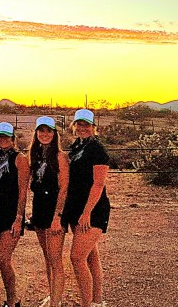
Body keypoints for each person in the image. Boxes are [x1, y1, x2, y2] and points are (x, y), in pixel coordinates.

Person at [62, 109, 110, 307]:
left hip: (92, 210)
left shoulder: (97, 149)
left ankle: (86, 304)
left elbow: (98, 184)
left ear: (93, 127)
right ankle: (96, 301)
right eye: (79, 124)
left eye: (86, 124)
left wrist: (86, 213)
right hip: (76, 208)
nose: (82, 128)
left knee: (77, 257)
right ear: (74, 126)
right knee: (91, 256)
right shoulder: (76, 147)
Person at [0, 122, 28, 307]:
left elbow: (23, 191)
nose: (3, 140)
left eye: (6, 137)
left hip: (11, 214)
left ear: (13, 139)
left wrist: (19, 218)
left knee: (4, 258)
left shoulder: (20, 159)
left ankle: (13, 300)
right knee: (1, 260)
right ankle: (11, 298)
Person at [28, 117, 69, 307]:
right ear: (36, 133)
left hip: (54, 211)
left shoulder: (60, 156)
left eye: (48, 131)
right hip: (39, 210)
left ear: (54, 134)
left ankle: (56, 302)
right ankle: (52, 295)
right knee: (47, 256)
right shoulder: (35, 155)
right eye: (41, 130)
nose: (45, 134)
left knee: (55, 258)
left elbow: (64, 188)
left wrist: (58, 217)